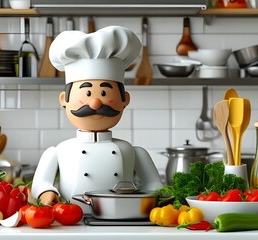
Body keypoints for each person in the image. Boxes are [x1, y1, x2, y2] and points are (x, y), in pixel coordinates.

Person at [31, 26, 163, 211]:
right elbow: (40, 183)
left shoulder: (132, 151)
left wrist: (146, 203)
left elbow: (154, 185)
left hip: (122, 220)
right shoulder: (59, 151)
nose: (94, 103)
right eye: (86, 93)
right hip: (71, 219)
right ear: (64, 100)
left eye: (103, 92)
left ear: (125, 100)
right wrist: (47, 193)